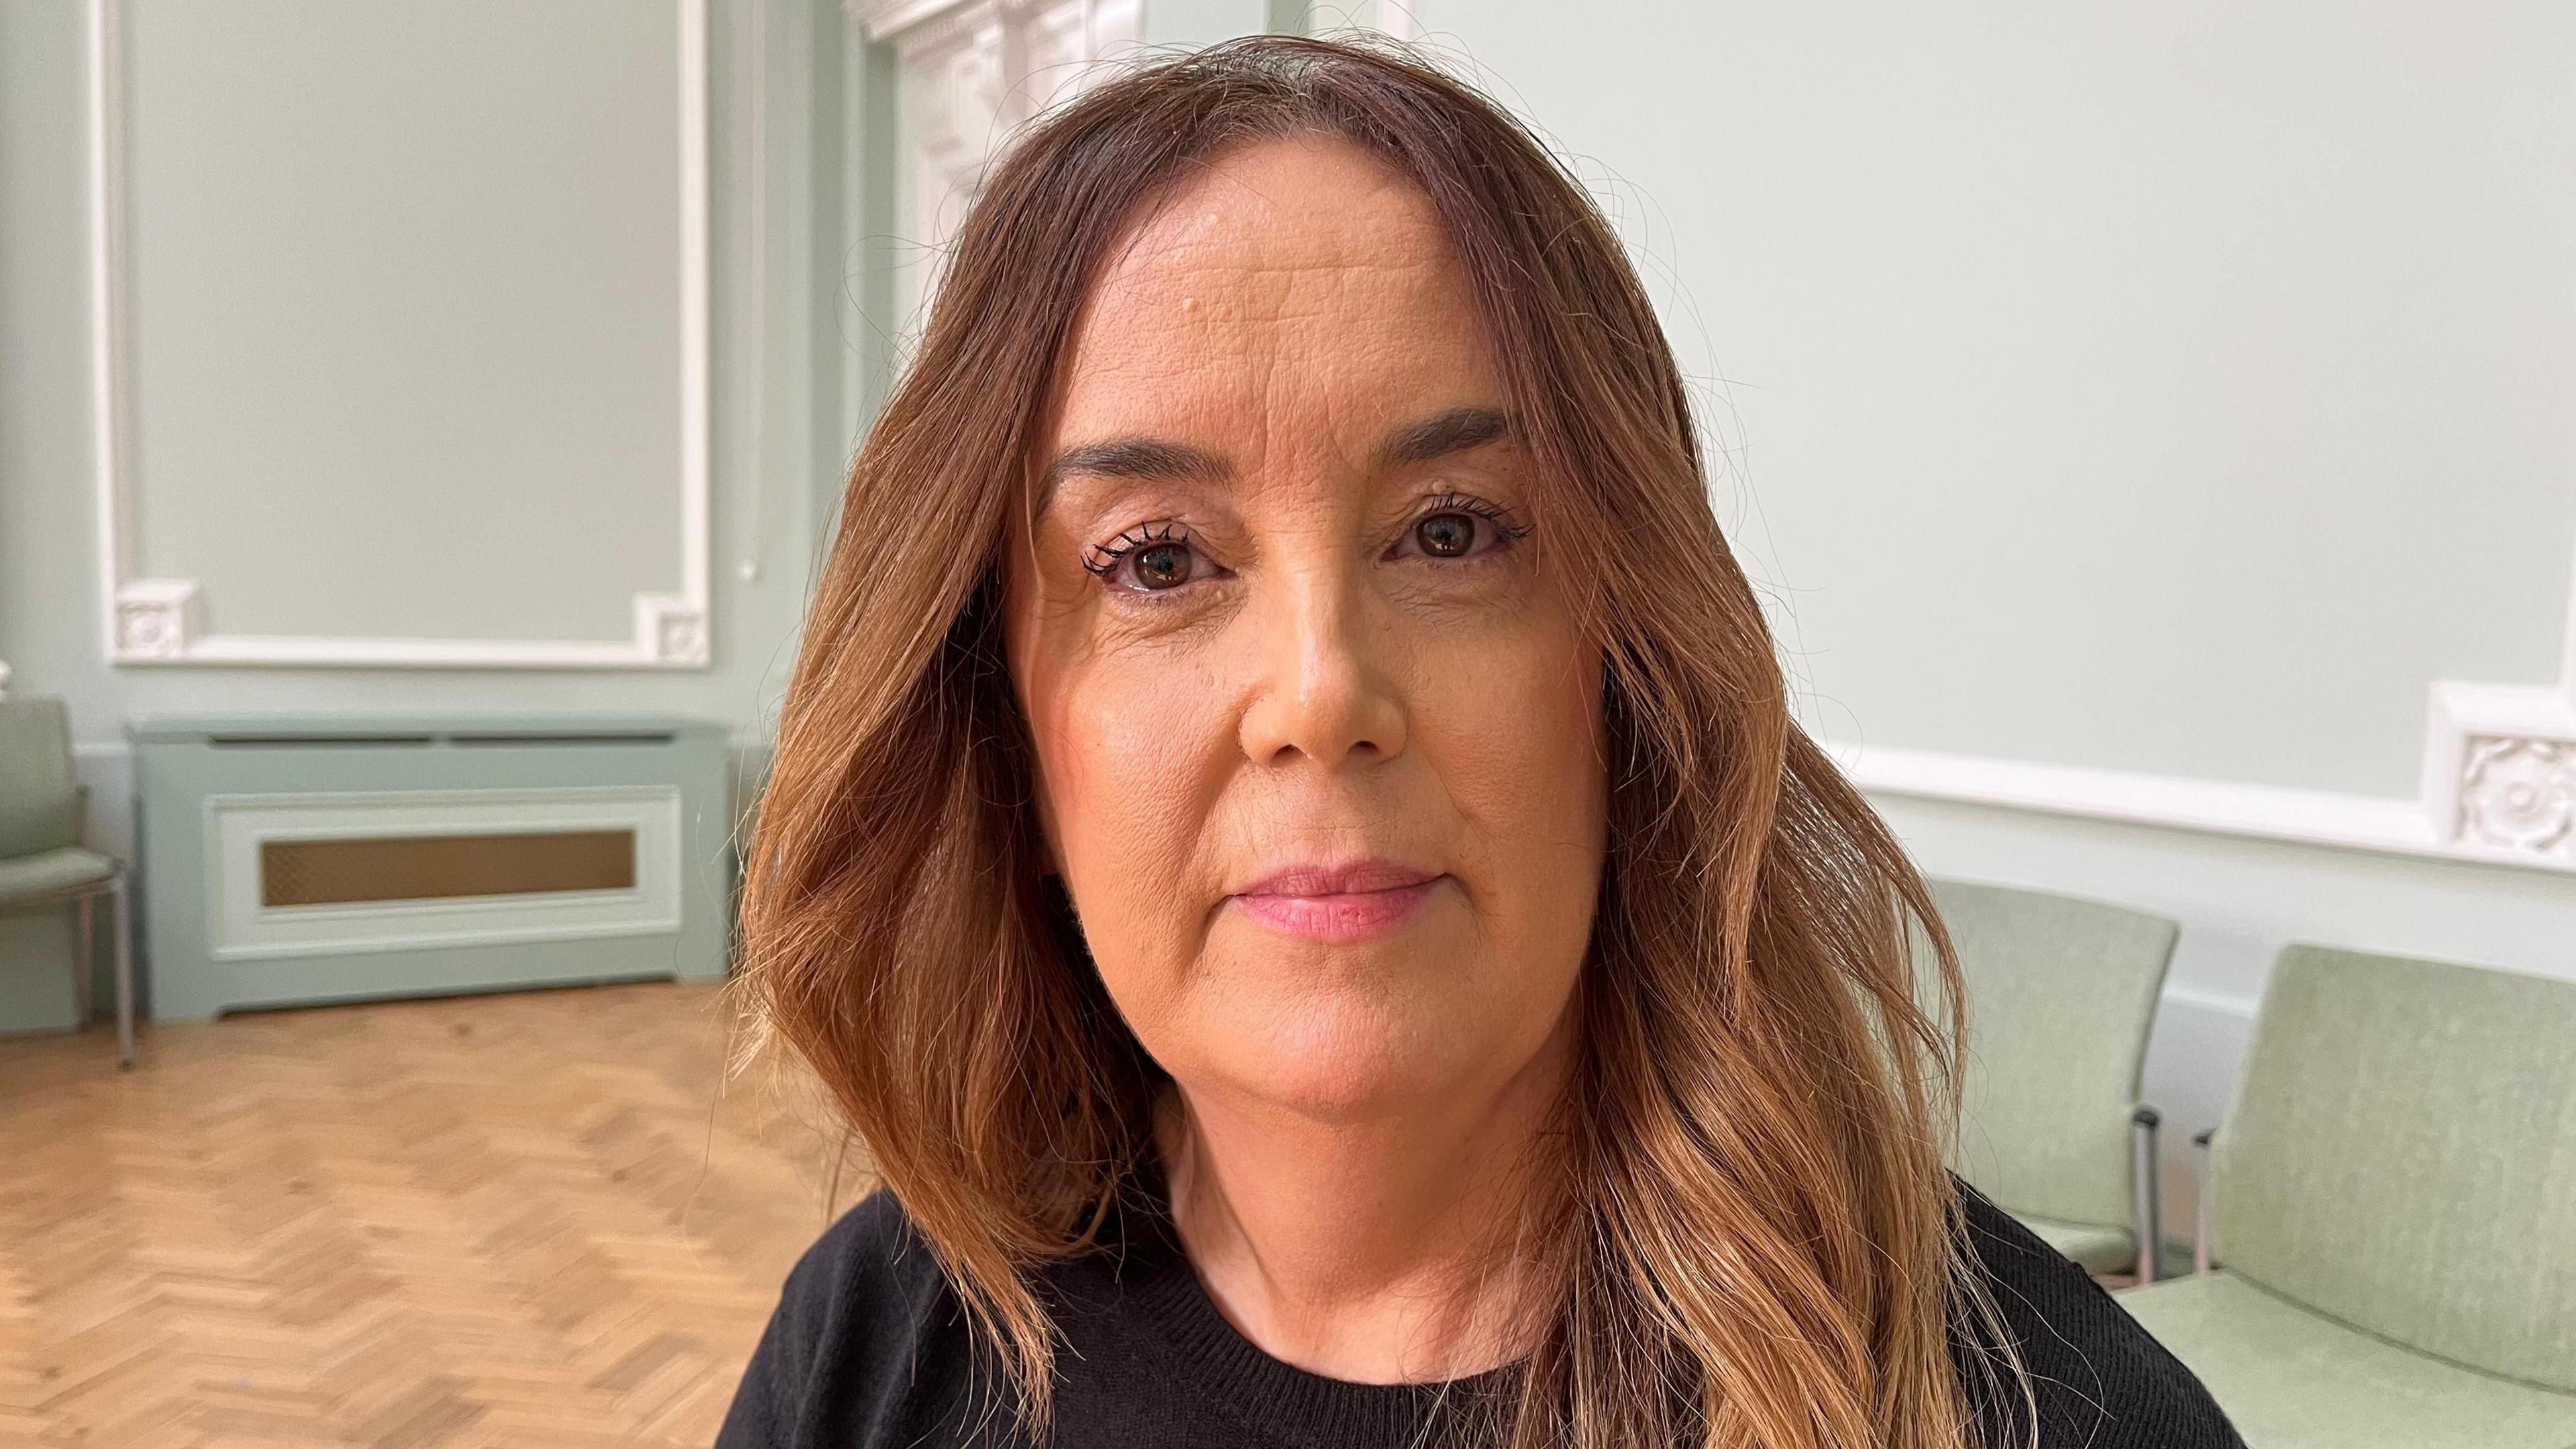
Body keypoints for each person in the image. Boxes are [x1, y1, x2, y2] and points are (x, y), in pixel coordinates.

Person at [718, 34, 2239, 1449]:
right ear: (997, 712)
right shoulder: (877, 1340)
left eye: (1451, 532)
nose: (1321, 695)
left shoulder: (2048, 1412)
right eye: (1159, 560)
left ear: (1625, 663)